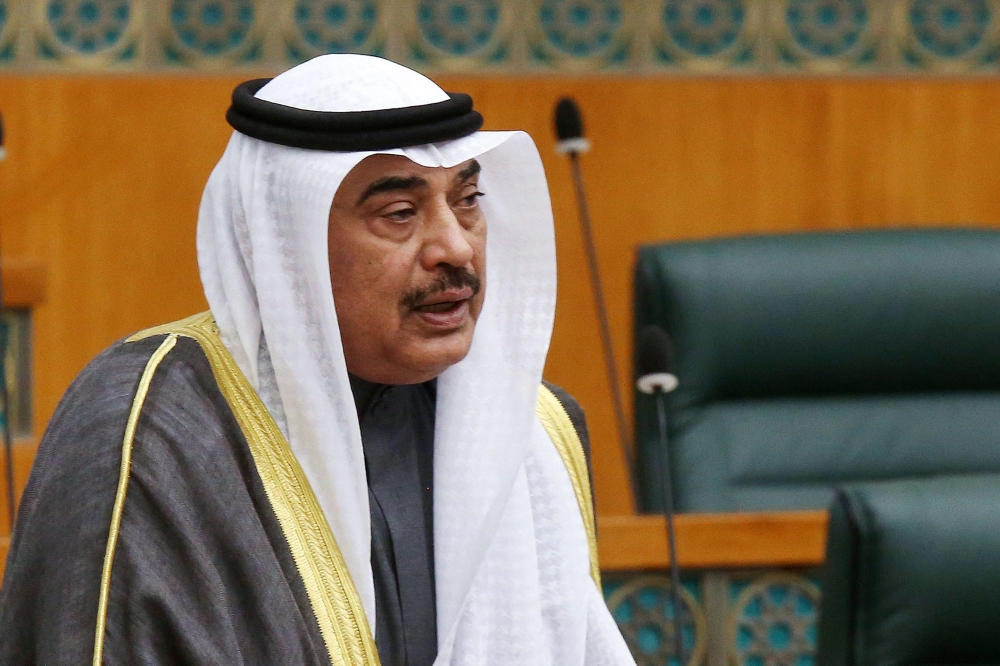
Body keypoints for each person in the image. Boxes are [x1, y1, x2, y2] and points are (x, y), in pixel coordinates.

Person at [0, 55, 636, 665]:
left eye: (467, 201)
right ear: (286, 244)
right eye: (400, 213)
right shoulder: (152, 428)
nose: (454, 247)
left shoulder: (538, 432)